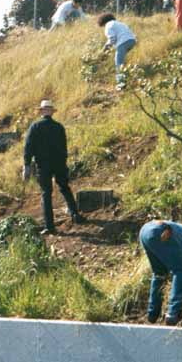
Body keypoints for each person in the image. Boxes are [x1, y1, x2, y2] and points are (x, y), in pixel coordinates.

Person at [22, 100, 84, 233]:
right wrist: (64, 161)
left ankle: (49, 227)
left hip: (43, 165)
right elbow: (64, 147)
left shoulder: (35, 127)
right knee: (64, 187)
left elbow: (28, 147)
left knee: (46, 194)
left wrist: (26, 165)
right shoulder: (59, 127)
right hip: (59, 163)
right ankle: (75, 214)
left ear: (42, 112)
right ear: (51, 112)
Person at [98, 13, 137, 89]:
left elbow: (112, 39)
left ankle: (121, 84)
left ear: (102, 22)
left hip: (123, 42)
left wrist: (104, 49)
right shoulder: (119, 23)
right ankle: (127, 76)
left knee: (118, 63)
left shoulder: (108, 26)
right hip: (132, 41)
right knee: (121, 61)